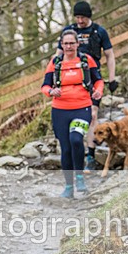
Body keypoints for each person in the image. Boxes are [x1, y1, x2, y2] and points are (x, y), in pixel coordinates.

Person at [55, 0, 118, 172]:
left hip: (92, 79)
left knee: (93, 114)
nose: (80, 21)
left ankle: (90, 154)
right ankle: (77, 152)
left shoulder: (99, 31)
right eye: (77, 17)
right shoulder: (69, 32)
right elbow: (58, 56)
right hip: (70, 83)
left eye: (82, 17)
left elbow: (110, 55)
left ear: (88, 16)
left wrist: (111, 79)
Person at [41, 29, 104, 198]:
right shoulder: (55, 62)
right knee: (66, 149)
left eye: (72, 43)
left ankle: (80, 178)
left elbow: (98, 80)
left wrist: (98, 91)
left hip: (82, 108)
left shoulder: (86, 60)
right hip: (60, 111)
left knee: (76, 139)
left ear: (77, 44)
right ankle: (69, 187)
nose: (69, 46)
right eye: (65, 43)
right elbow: (45, 85)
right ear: (61, 45)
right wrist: (51, 92)